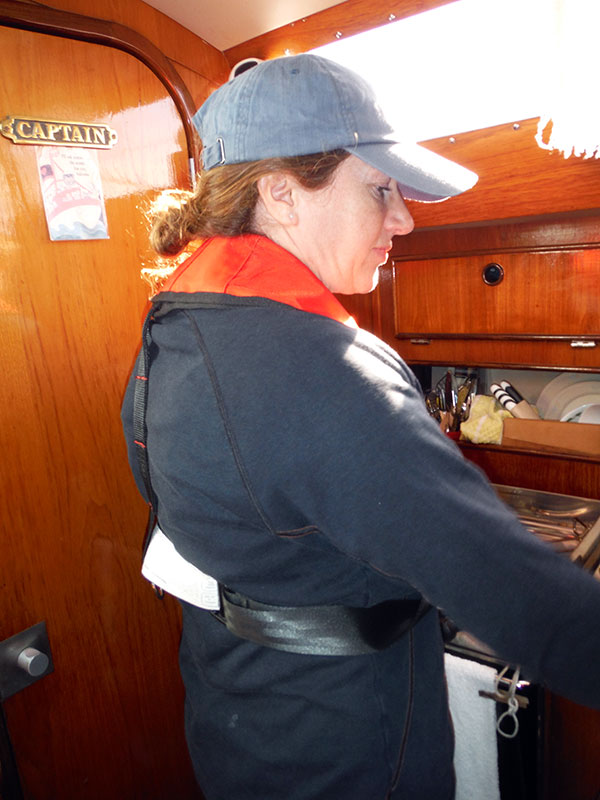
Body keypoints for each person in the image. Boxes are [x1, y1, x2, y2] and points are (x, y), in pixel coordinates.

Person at [121, 54, 600, 800]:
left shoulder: (172, 323)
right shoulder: (329, 372)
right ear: (280, 193)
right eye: (380, 189)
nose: (405, 218)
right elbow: (531, 604)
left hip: (233, 716)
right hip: (350, 745)